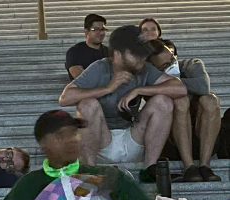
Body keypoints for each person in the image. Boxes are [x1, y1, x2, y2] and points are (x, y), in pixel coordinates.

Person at [0, 110, 165, 200]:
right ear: (43, 146)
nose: (70, 140)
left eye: (73, 133)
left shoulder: (109, 175)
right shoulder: (30, 184)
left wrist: (123, 188)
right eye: (60, 136)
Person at [59, 25, 187, 181]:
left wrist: (139, 90)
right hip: (102, 141)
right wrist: (107, 88)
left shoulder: (144, 69)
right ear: (118, 55)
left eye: (143, 54)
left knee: (163, 101)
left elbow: (179, 88)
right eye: (136, 55)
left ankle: (150, 170)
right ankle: (90, 172)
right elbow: (65, 98)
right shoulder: (100, 67)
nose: (142, 59)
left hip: (132, 137)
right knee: (87, 104)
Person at [147, 40, 222, 181]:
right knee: (180, 100)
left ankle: (205, 166)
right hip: (173, 141)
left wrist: (173, 82)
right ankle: (189, 167)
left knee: (210, 99)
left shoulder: (191, 64)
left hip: (202, 134)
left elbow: (203, 87)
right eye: (165, 65)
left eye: (172, 59)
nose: (171, 65)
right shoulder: (150, 76)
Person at [65, 14, 108, 80]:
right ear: (86, 31)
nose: (101, 33)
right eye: (96, 29)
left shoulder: (109, 52)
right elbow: (81, 79)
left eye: (103, 29)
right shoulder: (75, 52)